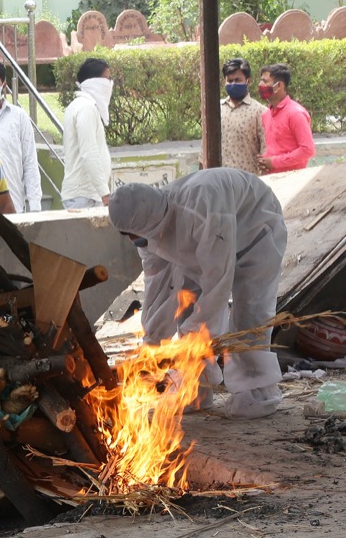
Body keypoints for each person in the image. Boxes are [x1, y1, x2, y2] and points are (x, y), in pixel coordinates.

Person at [109, 170, 287, 419]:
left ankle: (258, 393)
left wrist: (195, 340)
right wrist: (152, 344)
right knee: (187, 306)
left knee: (250, 314)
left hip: (256, 234)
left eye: (139, 237)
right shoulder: (145, 229)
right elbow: (159, 287)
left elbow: (218, 281)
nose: (138, 242)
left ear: (155, 223)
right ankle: (196, 389)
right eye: (134, 239)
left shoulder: (202, 207)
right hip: (204, 248)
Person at [0, 59, 44, 213]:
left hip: (13, 209)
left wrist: (35, 206)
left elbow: (30, 162)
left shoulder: (18, 117)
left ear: (4, 86)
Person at [62, 58, 113, 208]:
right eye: (108, 79)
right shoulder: (86, 108)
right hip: (84, 197)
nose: (110, 84)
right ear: (96, 82)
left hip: (88, 195)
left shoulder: (83, 107)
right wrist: (105, 193)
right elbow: (89, 153)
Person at [257, 63, 315, 174]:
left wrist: (274, 162)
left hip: (292, 181)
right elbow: (276, 148)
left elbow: (308, 150)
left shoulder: (296, 113)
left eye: (265, 81)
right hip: (271, 180)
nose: (260, 85)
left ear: (279, 86)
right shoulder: (266, 114)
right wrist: (264, 160)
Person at [219, 57, 267, 175]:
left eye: (237, 80)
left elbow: (265, 153)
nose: (233, 84)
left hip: (248, 184)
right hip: (220, 182)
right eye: (229, 81)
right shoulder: (216, 110)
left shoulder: (260, 112)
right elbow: (204, 152)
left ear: (248, 81)